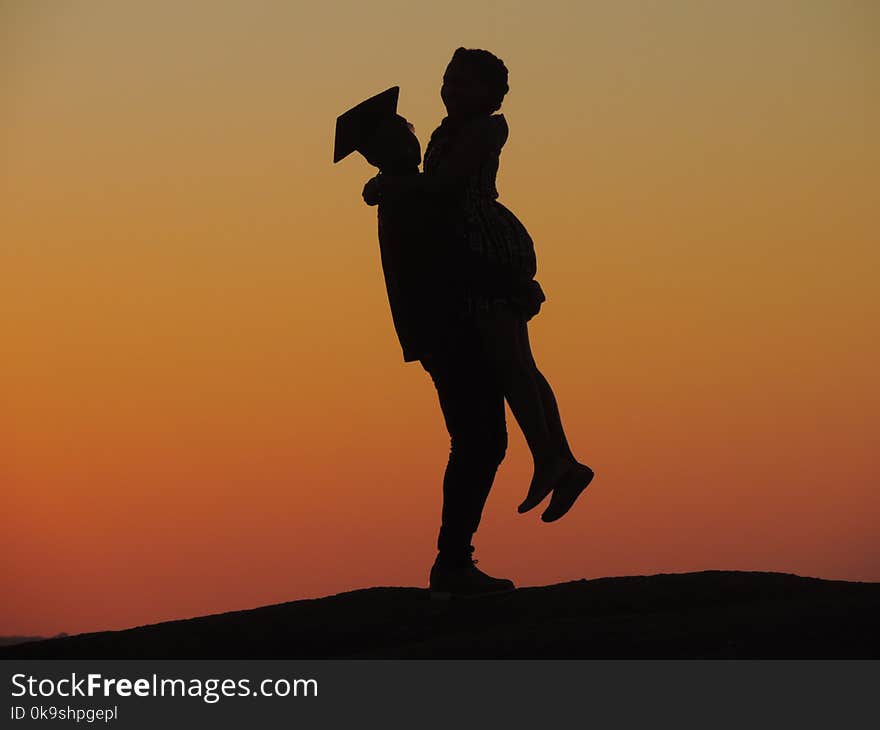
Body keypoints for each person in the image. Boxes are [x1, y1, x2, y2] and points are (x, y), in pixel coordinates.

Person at [366, 49, 594, 535]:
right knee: (514, 363)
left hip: (487, 246)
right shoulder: (440, 137)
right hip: (464, 272)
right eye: (448, 81)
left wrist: (394, 187)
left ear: (494, 95)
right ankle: (556, 460)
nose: (451, 91)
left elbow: (448, 184)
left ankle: (554, 459)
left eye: (465, 84)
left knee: (514, 361)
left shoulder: (488, 129)